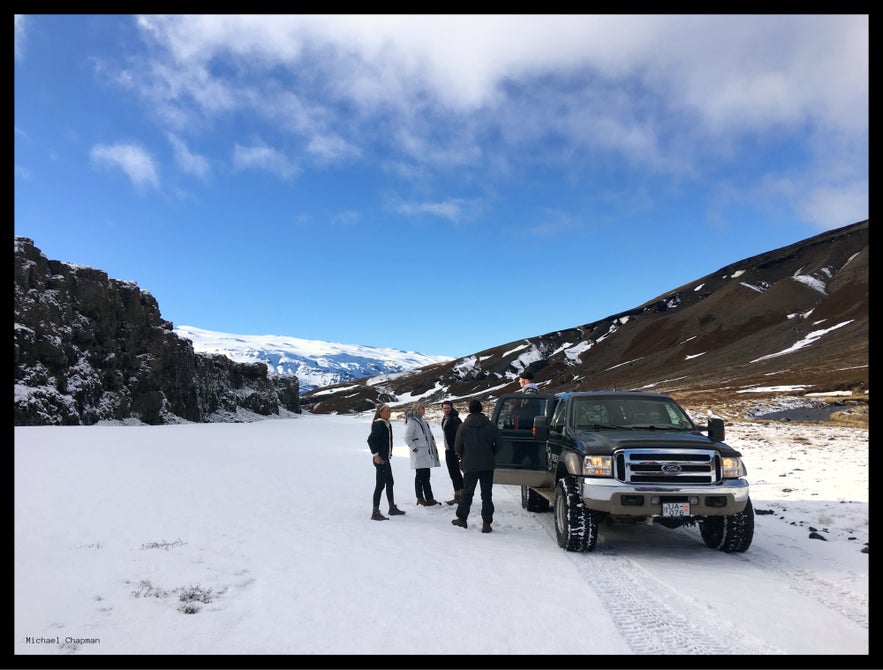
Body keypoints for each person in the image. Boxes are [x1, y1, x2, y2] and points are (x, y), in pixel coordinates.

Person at [452, 399, 500, 533]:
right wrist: (491, 454)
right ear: (481, 409)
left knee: (467, 493)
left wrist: (463, 457)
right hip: (487, 465)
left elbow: (457, 446)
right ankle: (486, 523)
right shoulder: (490, 425)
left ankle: (462, 519)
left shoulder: (463, 426)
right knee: (487, 495)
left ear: (470, 410)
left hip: (469, 465)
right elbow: (500, 443)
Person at [366, 404, 406, 521]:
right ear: (380, 413)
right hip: (381, 459)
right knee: (380, 485)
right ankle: (375, 512)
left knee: (390, 482)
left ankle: (392, 507)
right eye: (387, 411)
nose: (389, 413)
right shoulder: (380, 424)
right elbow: (371, 440)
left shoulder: (386, 424)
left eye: (390, 411)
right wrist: (376, 454)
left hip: (385, 458)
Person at [404, 401, 442, 505]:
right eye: (422, 408)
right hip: (419, 454)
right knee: (420, 477)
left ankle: (429, 498)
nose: (424, 410)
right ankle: (420, 498)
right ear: (417, 409)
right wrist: (415, 449)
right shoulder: (413, 422)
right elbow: (407, 438)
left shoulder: (423, 421)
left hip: (426, 453)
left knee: (426, 476)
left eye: (424, 408)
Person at [440, 401, 464, 505]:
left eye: (448, 408)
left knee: (455, 473)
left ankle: (461, 496)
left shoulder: (455, 419)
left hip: (453, 451)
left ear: (451, 408)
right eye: (444, 408)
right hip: (449, 449)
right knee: (454, 473)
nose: (446, 410)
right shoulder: (445, 418)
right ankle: (459, 495)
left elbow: (460, 435)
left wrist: (457, 450)